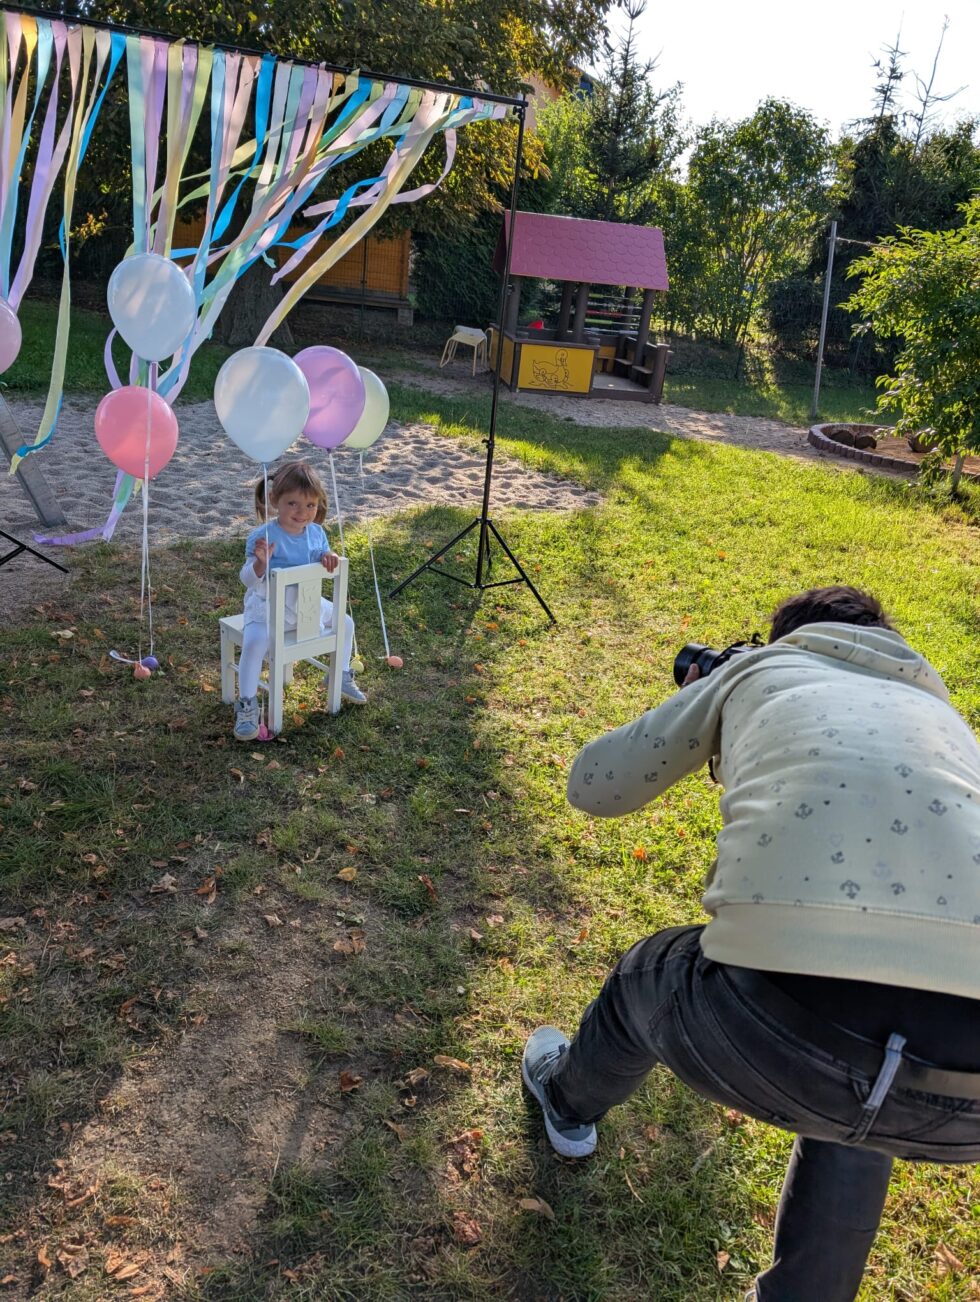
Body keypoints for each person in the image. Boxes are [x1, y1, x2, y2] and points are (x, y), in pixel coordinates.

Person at [522, 586, 980, 1301]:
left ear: (785, 636)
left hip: (769, 1036)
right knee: (869, 1078)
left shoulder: (760, 670)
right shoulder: (943, 717)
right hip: (965, 1099)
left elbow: (594, 786)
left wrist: (711, 702)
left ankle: (567, 1102)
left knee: (651, 972)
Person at [233, 460, 365, 741]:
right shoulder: (263, 536)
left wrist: (325, 557)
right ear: (274, 500)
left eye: (310, 505)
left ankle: (339, 674)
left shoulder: (316, 532)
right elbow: (247, 579)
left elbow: (320, 553)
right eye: (292, 503)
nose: (302, 512)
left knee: (345, 623)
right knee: (255, 642)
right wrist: (259, 564)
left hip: (307, 606)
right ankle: (246, 703)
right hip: (269, 609)